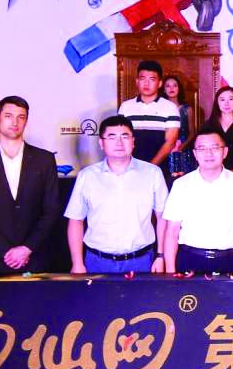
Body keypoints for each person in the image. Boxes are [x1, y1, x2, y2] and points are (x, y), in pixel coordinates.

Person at [0, 95, 61, 273]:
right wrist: (5, 251)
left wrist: (27, 248)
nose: (15, 122)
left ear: (26, 121)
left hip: (35, 260)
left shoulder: (45, 160)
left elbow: (51, 210)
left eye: (21, 117)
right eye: (8, 116)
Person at [65, 116, 169, 274]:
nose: (119, 143)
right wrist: (77, 263)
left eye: (125, 136)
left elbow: (162, 217)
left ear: (133, 141)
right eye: (112, 137)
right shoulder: (87, 176)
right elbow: (75, 220)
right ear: (101, 143)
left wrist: (161, 256)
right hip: (97, 261)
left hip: (141, 261)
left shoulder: (152, 173)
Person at [161, 127, 233, 274]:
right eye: (202, 148)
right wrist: (170, 272)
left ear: (225, 152)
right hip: (190, 260)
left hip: (230, 260)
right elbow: (171, 231)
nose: (208, 153)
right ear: (195, 154)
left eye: (214, 148)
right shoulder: (181, 185)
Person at [117, 60, 180, 166]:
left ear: (160, 83)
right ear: (137, 81)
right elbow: (121, 138)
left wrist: (150, 167)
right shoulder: (125, 107)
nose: (146, 83)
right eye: (142, 79)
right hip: (129, 166)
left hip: (158, 167)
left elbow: (170, 142)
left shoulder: (170, 108)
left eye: (152, 79)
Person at [162, 75, 194, 178]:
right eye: (168, 86)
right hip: (166, 149)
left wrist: (182, 146)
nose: (171, 88)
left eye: (174, 85)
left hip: (184, 149)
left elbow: (192, 132)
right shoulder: (160, 109)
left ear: (179, 88)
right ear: (163, 89)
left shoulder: (187, 109)